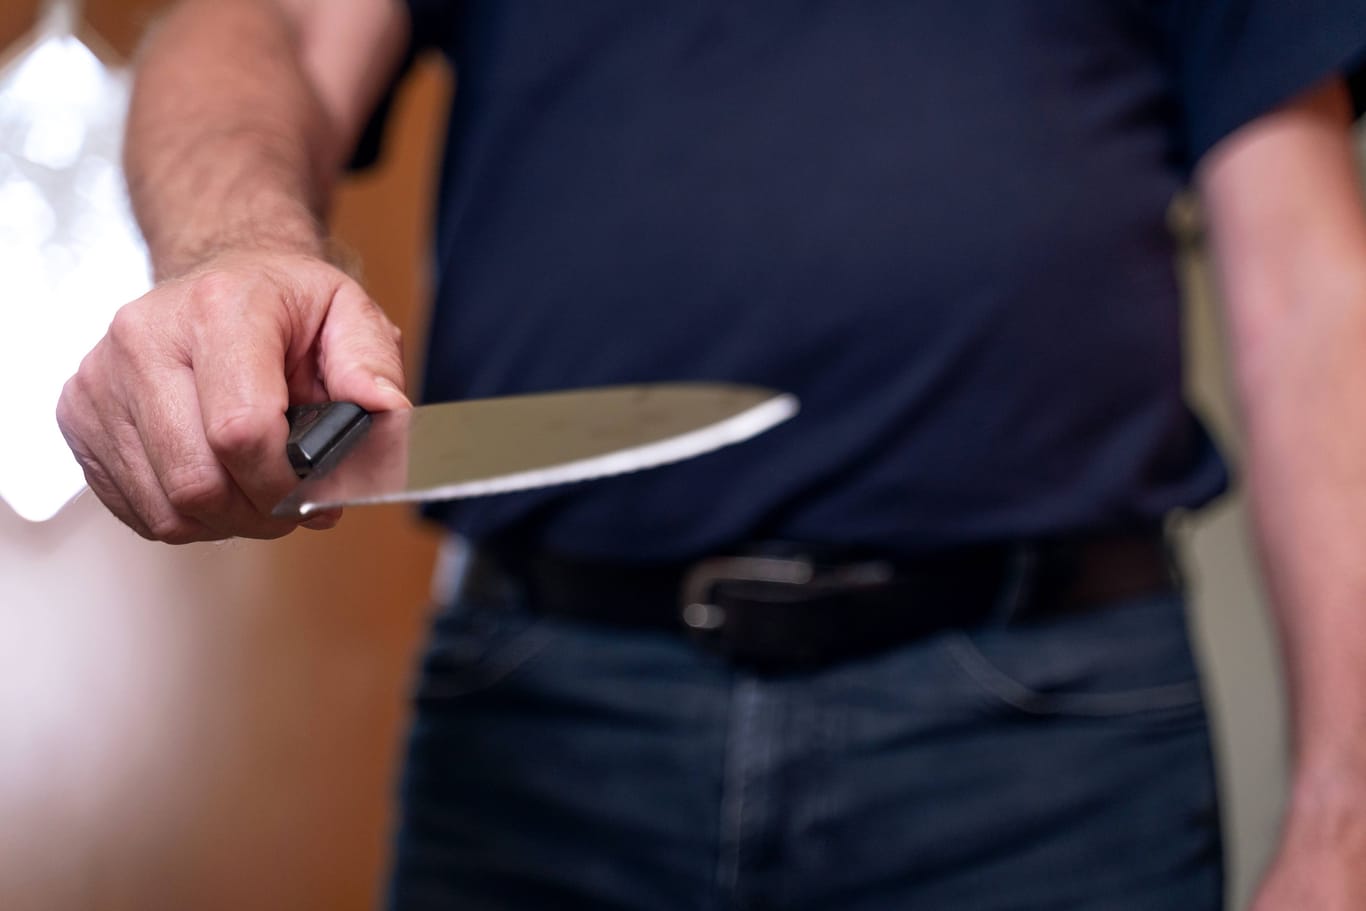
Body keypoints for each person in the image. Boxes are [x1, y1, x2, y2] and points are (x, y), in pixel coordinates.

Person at [55, 0, 1366, 908]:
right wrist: (232, 246)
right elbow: (268, 24)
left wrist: (1343, 819)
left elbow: (1317, 302)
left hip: (1050, 748)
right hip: (543, 722)